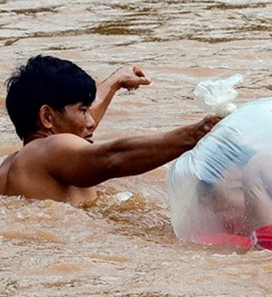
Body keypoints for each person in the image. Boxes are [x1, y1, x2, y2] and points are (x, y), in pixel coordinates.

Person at [0, 55, 220, 205]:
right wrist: (199, 131)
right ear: (47, 117)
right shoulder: (49, 150)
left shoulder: (14, 164)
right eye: (83, 110)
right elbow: (112, 157)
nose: (91, 122)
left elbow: (75, 128)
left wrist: (116, 81)